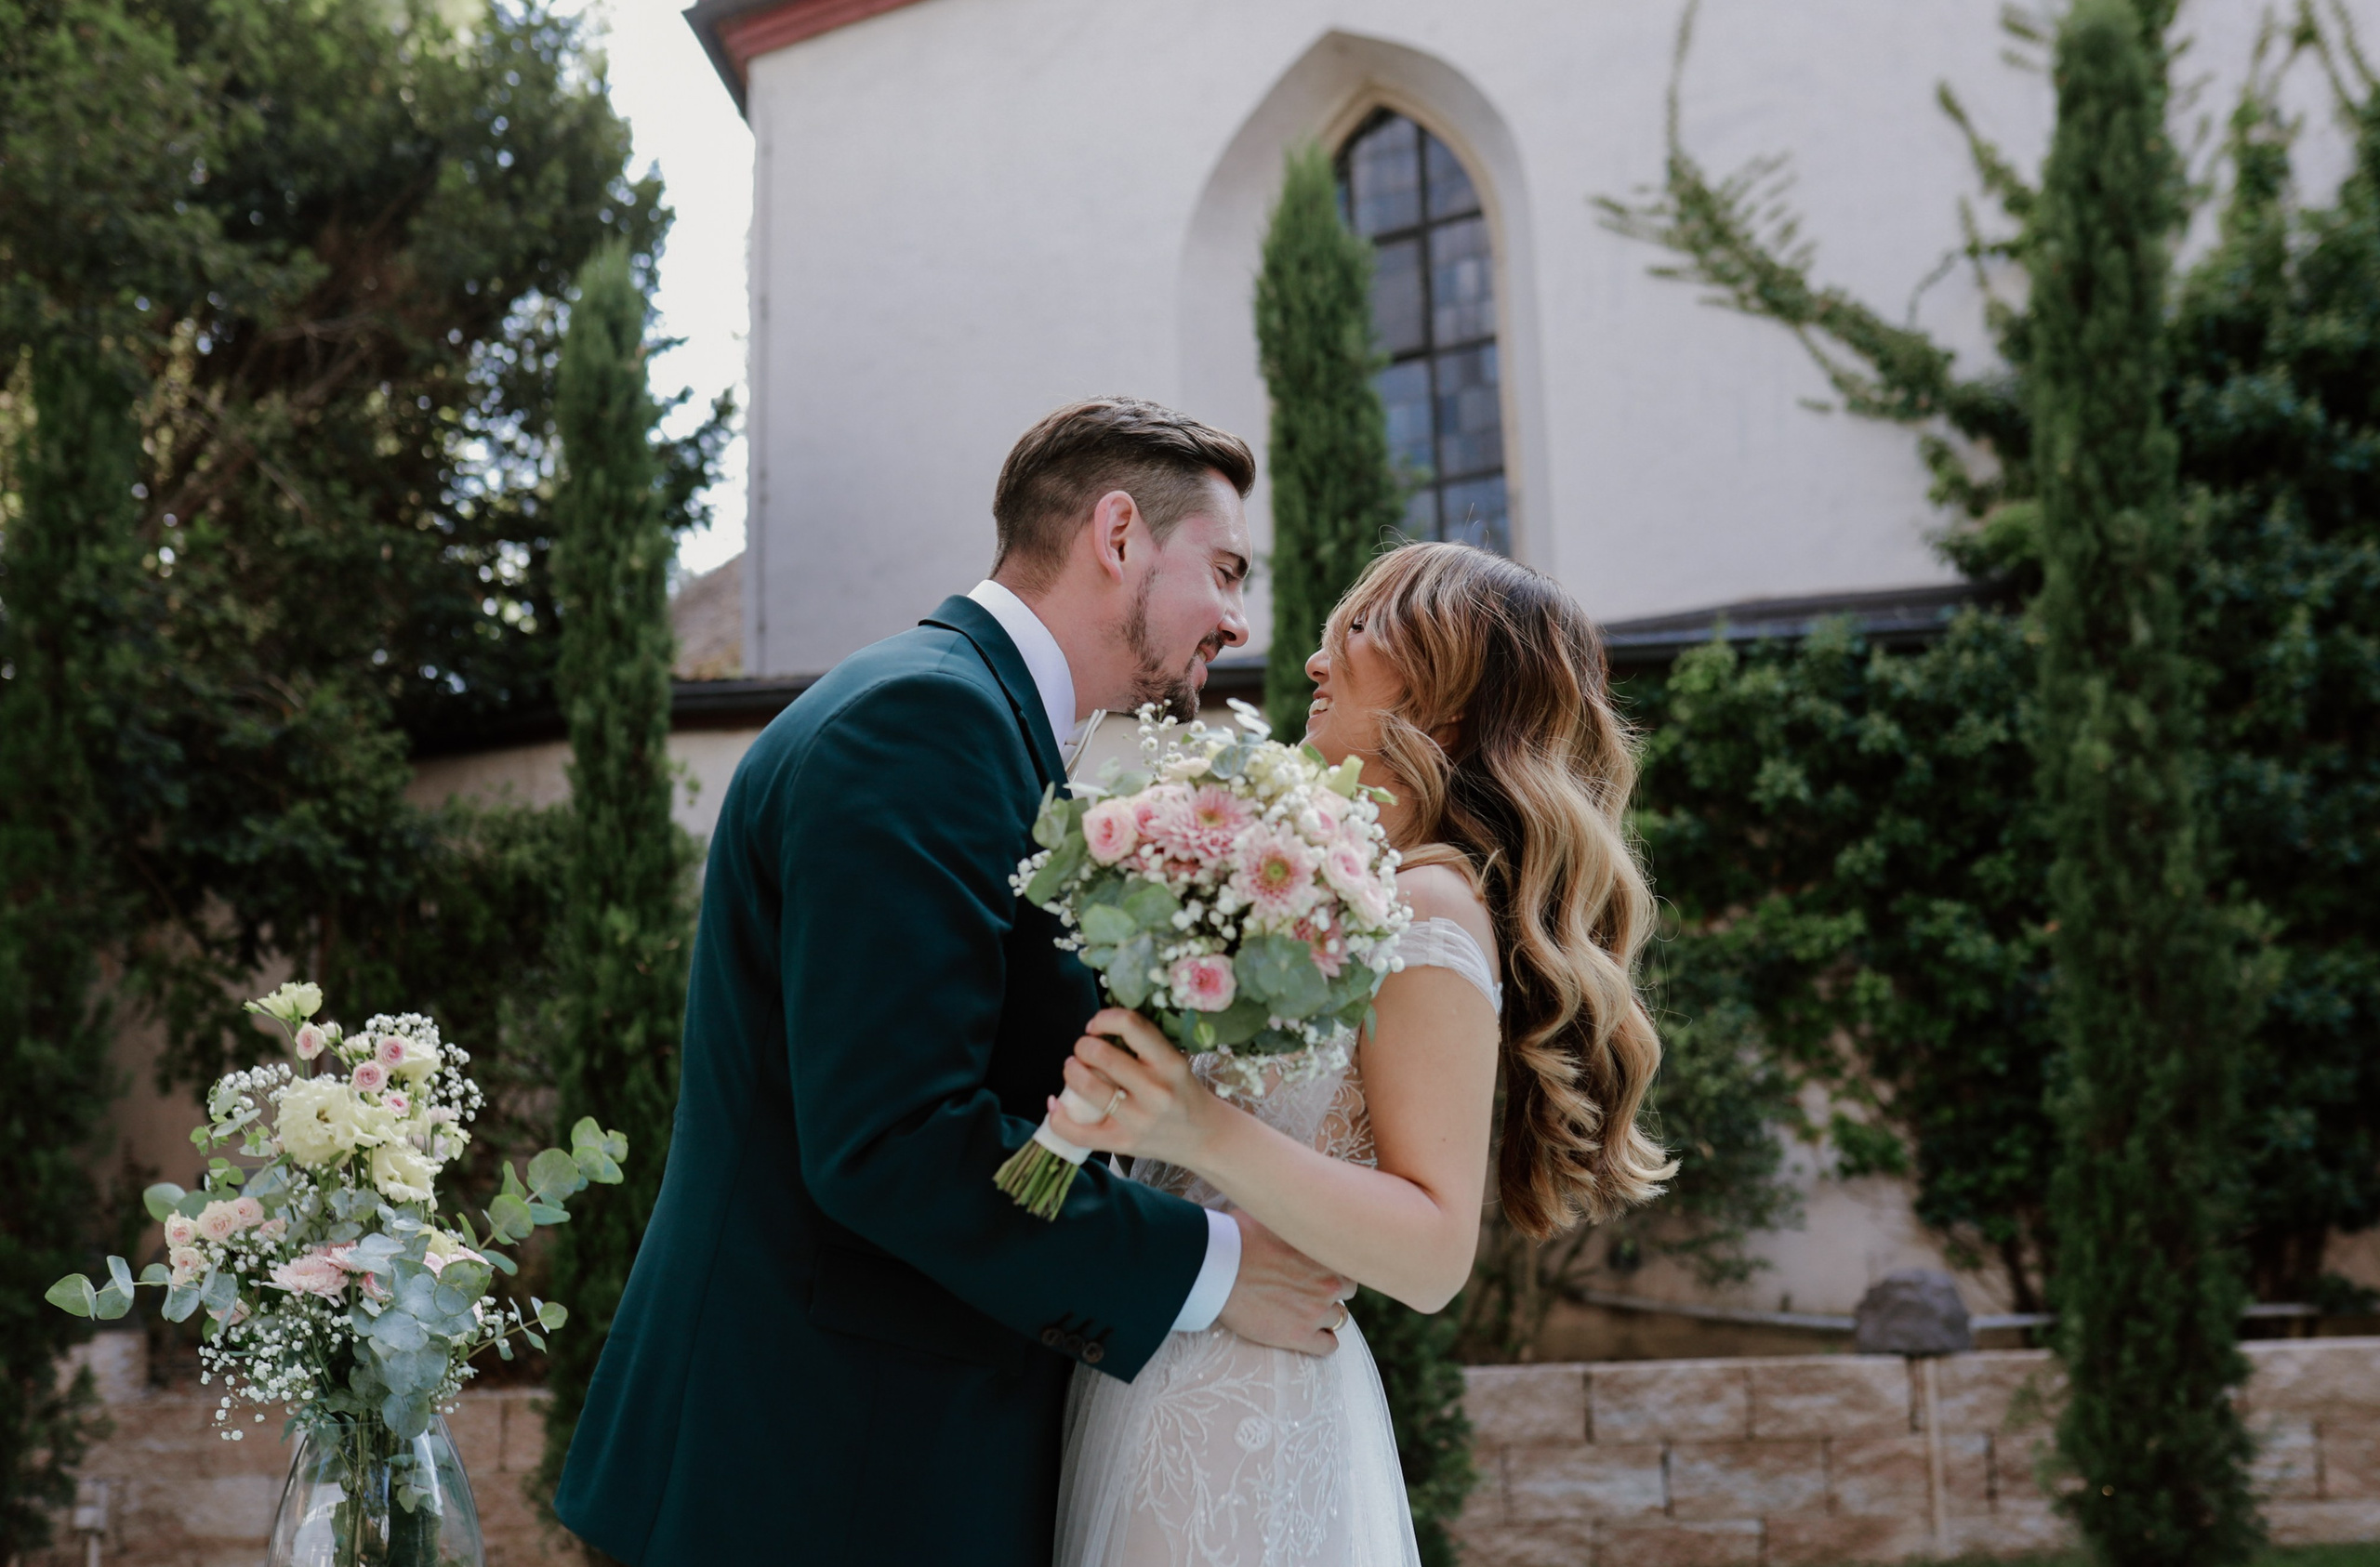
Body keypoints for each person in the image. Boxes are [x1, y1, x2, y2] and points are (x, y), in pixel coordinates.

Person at [553, 398, 1352, 1566]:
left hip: (862, 1458)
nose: (1236, 618)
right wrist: (1211, 1268)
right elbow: (894, 1138)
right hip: (807, 1478)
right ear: (1117, 535)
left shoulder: (976, 720)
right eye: (1224, 569)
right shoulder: (922, 722)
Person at [1044, 541, 1676, 1566]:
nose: (1313, 661)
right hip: (1159, 1367)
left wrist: (1194, 1126)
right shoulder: (1333, 886)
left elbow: (1432, 1252)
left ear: (1451, 705)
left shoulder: (1427, 904)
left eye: (1362, 630)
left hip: (1243, 1414)